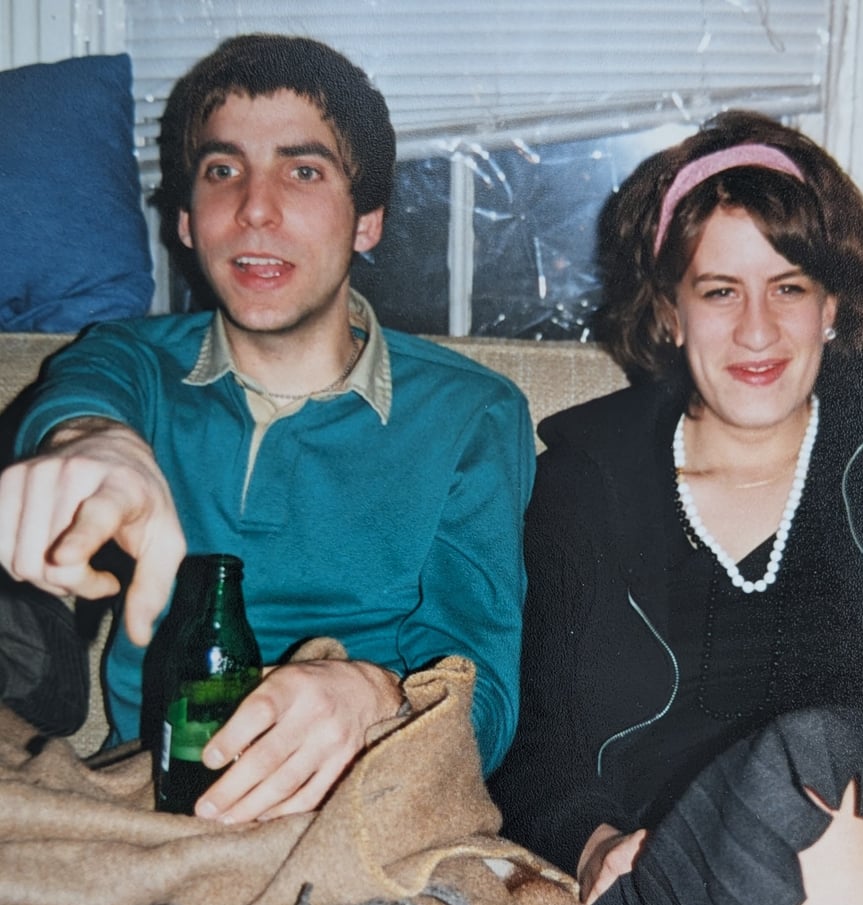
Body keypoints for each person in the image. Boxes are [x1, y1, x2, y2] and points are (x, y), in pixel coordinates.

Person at [0, 33, 534, 825]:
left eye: (303, 170)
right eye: (223, 170)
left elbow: (482, 694)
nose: (255, 208)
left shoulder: (472, 413)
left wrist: (373, 694)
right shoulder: (130, 363)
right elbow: (83, 403)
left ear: (368, 221)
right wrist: (92, 441)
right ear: (185, 220)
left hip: (359, 807)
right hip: (147, 806)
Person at [489, 109, 863, 905]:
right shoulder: (581, 489)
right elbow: (533, 745)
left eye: (789, 287)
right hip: (677, 886)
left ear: (831, 308)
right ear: (670, 311)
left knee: (830, 772)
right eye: (719, 291)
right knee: (814, 777)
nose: (756, 329)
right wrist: (594, 844)